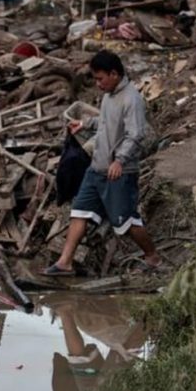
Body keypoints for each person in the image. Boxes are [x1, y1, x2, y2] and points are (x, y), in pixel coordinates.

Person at [43, 50, 161, 276]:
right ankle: (64, 262)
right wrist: (84, 124)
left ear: (114, 74)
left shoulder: (131, 99)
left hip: (119, 172)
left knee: (125, 222)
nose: (98, 84)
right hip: (96, 168)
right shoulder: (108, 96)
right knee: (80, 212)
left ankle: (152, 256)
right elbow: (105, 123)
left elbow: (135, 134)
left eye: (100, 78)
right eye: (95, 79)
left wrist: (120, 160)